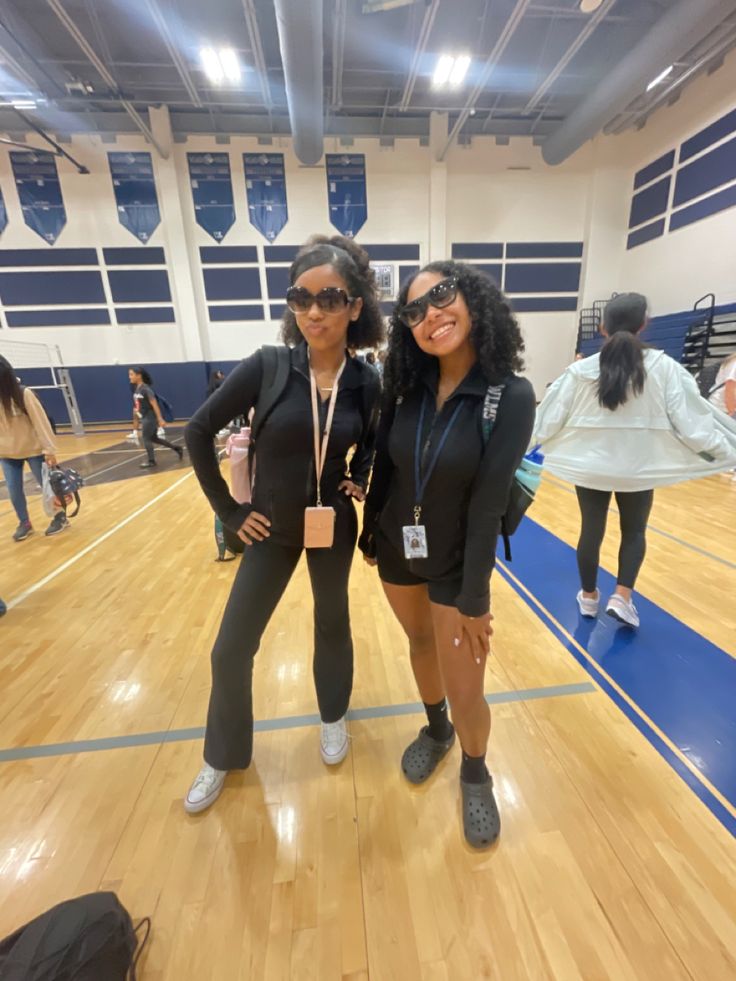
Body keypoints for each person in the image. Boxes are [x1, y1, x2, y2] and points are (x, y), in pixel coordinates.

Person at [183, 234, 384, 814]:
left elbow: (372, 445)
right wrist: (229, 511)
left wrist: (361, 478)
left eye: (329, 298)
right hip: (269, 527)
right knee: (230, 649)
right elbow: (197, 432)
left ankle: (333, 717)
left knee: (332, 624)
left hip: (332, 525)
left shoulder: (367, 381)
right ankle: (221, 755)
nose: (314, 311)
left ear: (355, 307)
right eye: (301, 298)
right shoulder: (269, 366)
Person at [358, 262, 535, 849]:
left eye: (441, 295)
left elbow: (487, 506)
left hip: (459, 563)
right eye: (414, 311)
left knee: (467, 688)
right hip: (398, 548)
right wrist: (368, 530)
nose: (431, 314)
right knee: (419, 643)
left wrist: (476, 600)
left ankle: (475, 769)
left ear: (471, 297)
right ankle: (436, 731)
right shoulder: (404, 388)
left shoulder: (508, 396)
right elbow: (383, 464)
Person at [533, 292, 736, 628]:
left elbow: (547, 420)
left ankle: (588, 597)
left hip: (591, 467)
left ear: (601, 327)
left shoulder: (580, 370)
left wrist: (524, 446)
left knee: (591, 531)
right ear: (644, 324)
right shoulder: (666, 368)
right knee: (634, 531)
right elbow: (693, 425)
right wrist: (724, 451)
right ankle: (622, 598)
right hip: (638, 469)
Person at [0, 355, 67, 540]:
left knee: (48, 487)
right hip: (7, 453)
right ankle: (24, 522)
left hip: (34, 451)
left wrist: (49, 450)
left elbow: (41, 422)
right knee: (14, 490)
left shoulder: (23, 394)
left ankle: (60, 517)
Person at [128, 367, 183, 469]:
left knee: (146, 438)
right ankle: (177, 448)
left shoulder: (146, 389)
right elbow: (138, 403)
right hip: (144, 416)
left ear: (139, 375)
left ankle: (151, 461)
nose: (129, 377)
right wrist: (136, 411)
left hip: (150, 418)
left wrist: (160, 419)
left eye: (131, 374)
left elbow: (154, 404)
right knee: (153, 438)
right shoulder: (138, 388)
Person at [708, 352, 736, 418]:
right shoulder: (734, 363)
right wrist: (732, 412)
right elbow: (730, 389)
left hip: (723, 409)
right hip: (722, 409)